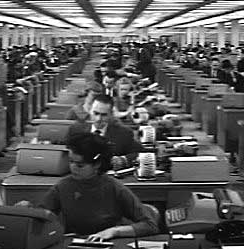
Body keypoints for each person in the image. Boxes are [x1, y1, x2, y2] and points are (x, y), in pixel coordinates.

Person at [16, 132, 159, 240]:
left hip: (110, 246)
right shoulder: (63, 186)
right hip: (73, 245)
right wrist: (27, 212)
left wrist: (114, 231)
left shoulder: (114, 187)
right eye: (70, 161)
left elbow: (150, 225)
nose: (73, 168)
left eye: (80, 165)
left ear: (97, 164)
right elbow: (41, 218)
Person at [67, 94, 141, 166]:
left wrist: (124, 159)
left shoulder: (124, 133)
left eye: (104, 115)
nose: (98, 119)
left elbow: (140, 153)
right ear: (89, 110)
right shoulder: (76, 130)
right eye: (96, 113)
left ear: (111, 114)